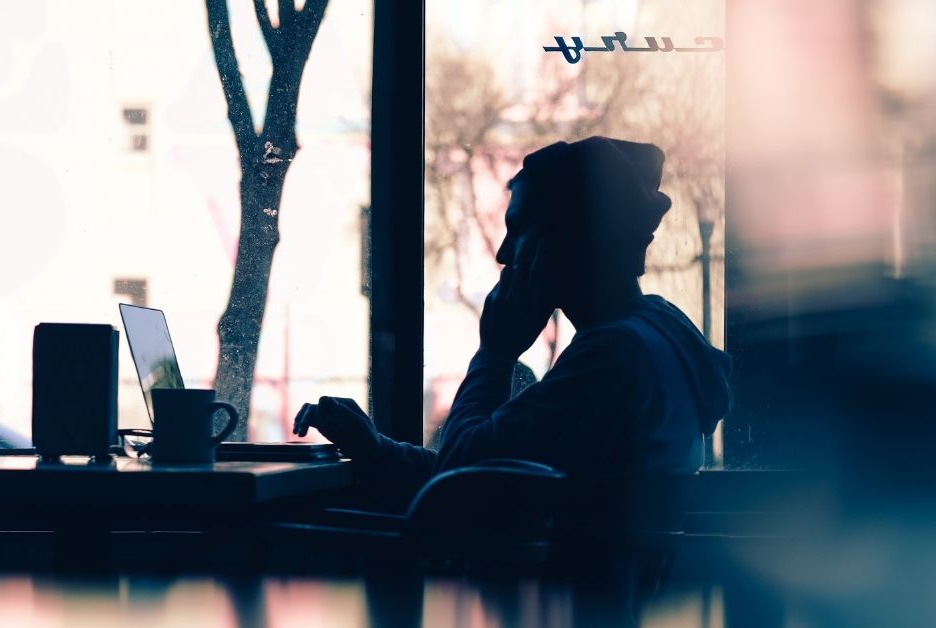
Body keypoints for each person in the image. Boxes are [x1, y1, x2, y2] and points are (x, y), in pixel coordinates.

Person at [294, 136, 733, 509]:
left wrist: (495, 353)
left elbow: (458, 483)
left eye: (519, 229)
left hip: (553, 602)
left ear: (571, 238)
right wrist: (376, 449)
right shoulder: (654, 333)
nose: (504, 254)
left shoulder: (612, 357)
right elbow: (491, 466)